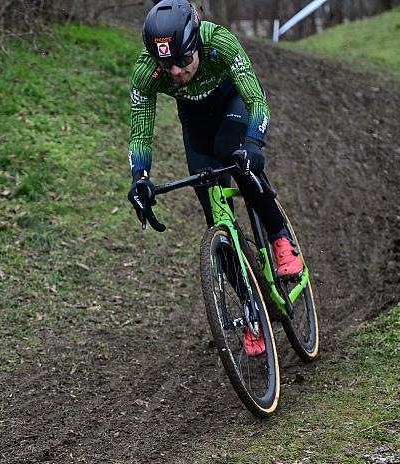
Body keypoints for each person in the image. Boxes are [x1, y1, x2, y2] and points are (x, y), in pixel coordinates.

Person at [125, 0, 301, 354]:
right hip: (196, 124)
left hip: (232, 107)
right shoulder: (148, 72)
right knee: (213, 210)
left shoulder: (219, 41)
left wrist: (253, 143)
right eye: (166, 63)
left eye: (182, 60)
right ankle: (254, 314)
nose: (174, 71)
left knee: (237, 160)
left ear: (195, 44)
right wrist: (140, 177)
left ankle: (281, 238)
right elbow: (140, 132)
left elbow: (256, 101)